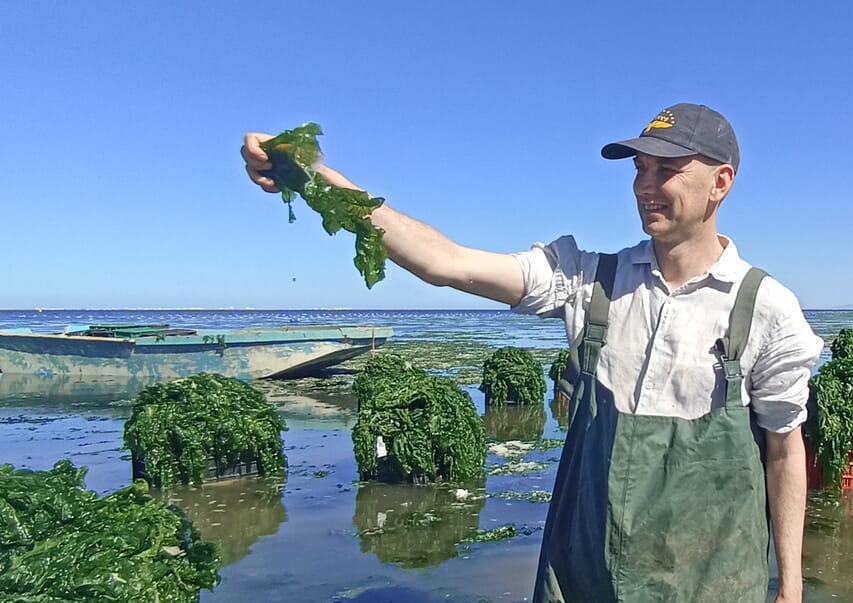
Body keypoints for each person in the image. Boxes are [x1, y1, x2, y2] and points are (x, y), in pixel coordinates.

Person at [241, 103, 822, 602]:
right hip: (585, 575)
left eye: (667, 170)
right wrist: (317, 180)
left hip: (713, 582)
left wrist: (790, 586)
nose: (646, 186)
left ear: (721, 183)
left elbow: (782, 452)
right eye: (641, 169)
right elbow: (447, 264)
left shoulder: (767, 309)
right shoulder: (589, 281)